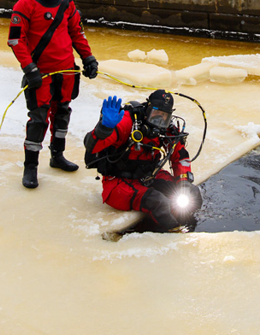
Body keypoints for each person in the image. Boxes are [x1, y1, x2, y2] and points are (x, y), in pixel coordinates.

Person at [8, 0, 98, 189]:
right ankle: (31, 168)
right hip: (40, 72)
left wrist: (88, 58)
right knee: (38, 120)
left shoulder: (67, 3)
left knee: (62, 113)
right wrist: (29, 69)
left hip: (66, 70)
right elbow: (16, 40)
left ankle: (57, 156)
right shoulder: (25, 5)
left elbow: (77, 33)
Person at [83, 90, 203, 232]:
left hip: (149, 175)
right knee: (158, 202)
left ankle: (185, 221)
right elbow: (92, 145)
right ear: (147, 110)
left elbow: (180, 157)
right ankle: (174, 234)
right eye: (156, 114)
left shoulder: (167, 130)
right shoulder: (127, 122)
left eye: (164, 117)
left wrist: (183, 181)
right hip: (118, 183)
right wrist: (104, 128)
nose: (159, 120)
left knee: (192, 194)